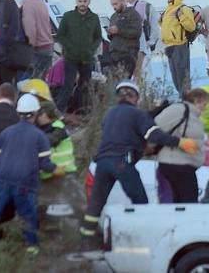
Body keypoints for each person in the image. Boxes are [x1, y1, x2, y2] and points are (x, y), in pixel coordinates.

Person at [80, 80, 199, 238]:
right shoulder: (137, 114)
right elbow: (153, 134)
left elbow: (132, 122)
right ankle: (146, 238)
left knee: (95, 205)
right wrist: (180, 142)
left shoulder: (110, 114)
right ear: (136, 97)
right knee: (141, 203)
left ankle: (85, 240)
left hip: (102, 163)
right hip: (122, 163)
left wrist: (159, 109)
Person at [0, 94, 61, 255]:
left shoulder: (6, 132)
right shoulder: (40, 136)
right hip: (25, 183)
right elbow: (45, 164)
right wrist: (56, 169)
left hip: (2, 179)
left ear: (18, 113)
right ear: (35, 114)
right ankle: (31, 247)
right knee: (28, 215)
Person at [155, 88, 209, 203]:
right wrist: (177, 142)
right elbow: (155, 128)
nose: (205, 108)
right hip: (174, 165)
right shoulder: (179, 110)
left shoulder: (193, 116)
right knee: (186, 205)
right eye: (204, 104)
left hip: (186, 166)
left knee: (186, 204)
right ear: (196, 100)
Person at [55, 0, 102, 113]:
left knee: (85, 86)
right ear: (76, 2)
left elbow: (98, 37)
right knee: (68, 85)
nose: (82, 4)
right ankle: (58, 111)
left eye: (85, 1)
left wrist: (92, 49)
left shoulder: (94, 18)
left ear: (89, 2)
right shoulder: (68, 16)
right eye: (80, 1)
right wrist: (69, 47)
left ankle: (82, 111)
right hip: (71, 57)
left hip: (87, 58)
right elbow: (60, 35)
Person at [160, 0, 196, 95]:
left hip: (180, 46)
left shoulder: (183, 9)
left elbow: (191, 26)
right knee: (175, 77)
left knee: (182, 76)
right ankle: (182, 98)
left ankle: (187, 100)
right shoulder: (168, 10)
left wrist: (181, 16)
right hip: (169, 46)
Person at [121, 0, 159, 85]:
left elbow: (155, 28)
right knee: (135, 76)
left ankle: (148, 98)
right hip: (129, 49)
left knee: (145, 75)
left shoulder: (146, 6)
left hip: (143, 47)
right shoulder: (124, 10)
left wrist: (149, 43)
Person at [20, 0, 54, 80]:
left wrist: (31, 45)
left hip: (38, 48)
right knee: (41, 82)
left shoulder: (28, 5)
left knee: (33, 82)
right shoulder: (41, 3)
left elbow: (31, 29)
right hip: (48, 47)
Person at [107, 0, 142, 81]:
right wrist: (110, 33)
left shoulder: (133, 14)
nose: (114, 7)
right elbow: (112, 37)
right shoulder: (113, 17)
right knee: (112, 85)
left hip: (127, 54)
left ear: (123, 1)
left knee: (123, 82)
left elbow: (136, 33)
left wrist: (119, 31)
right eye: (112, 4)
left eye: (116, 4)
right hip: (114, 55)